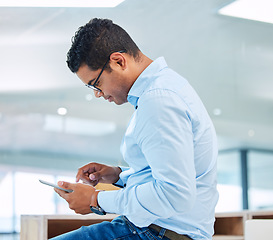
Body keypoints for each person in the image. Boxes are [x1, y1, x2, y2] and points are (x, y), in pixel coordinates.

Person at [52, 18, 218, 240]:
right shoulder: (164, 88)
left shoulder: (158, 101)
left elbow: (175, 194)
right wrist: (119, 175)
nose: (97, 94)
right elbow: (169, 175)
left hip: (158, 233)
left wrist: (95, 200)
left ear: (119, 61)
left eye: (96, 83)